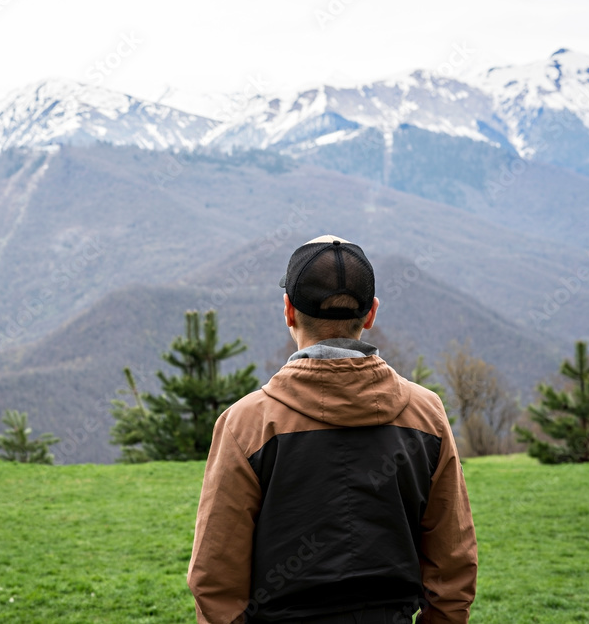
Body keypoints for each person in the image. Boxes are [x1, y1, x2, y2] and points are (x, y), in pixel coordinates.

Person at [186, 235, 477, 624]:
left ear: (289, 311)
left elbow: (215, 580)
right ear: (371, 313)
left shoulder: (246, 425)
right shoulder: (427, 414)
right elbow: (454, 567)